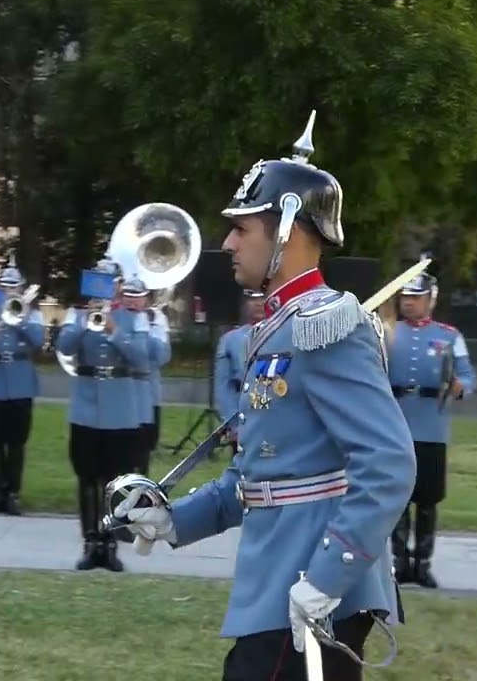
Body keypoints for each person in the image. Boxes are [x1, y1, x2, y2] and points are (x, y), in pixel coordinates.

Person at [119, 112, 415, 681]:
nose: (228, 242)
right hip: (280, 583)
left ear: (286, 232)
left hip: (308, 588)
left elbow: (389, 464)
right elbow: (258, 475)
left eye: (242, 228)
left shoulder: (328, 326)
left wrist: (327, 577)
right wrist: (174, 522)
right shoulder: (276, 330)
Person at [58, 256, 153, 572]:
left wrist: (114, 330)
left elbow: (142, 359)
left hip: (120, 408)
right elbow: (64, 346)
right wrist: (84, 318)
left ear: (118, 286)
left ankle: (110, 544)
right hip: (85, 407)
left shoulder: (134, 318)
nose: (104, 288)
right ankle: (90, 543)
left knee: (116, 481)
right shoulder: (77, 314)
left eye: (110, 283)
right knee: (87, 478)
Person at [386, 271, 477, 588]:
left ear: (430, 300)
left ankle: (423, 563)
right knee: (397, 498)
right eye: (405, 297)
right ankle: (399, 562)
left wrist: (460, 387)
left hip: (431, 424)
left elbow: (468, 377)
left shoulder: (449, 336)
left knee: (427, 500)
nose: (409, 303)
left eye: (416, 297)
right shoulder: (387, 332)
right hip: (395, 423)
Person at [0, 253, 44, 516]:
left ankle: (13, 493)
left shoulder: (32, 314)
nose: (8, 291)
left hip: (20, 382)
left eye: (13, 287)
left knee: (16, 442)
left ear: (21, 289)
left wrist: (18, 316)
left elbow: (38, 341)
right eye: (5, 287)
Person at [120, 277, 172, 476]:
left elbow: (161, 356)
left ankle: (140, 486)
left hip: (147, 390)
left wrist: (142, 332)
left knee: (144, 445)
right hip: (120, 390)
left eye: (137, 297)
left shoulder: (155, 318)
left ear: (145, 298)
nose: (132, 301)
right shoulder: (114, 318)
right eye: (127, 296)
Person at [213, 290, 265, 421]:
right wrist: (231, 420)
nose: (258, 304)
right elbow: (223, 385)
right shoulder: (229, 340)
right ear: (245, 305)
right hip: (242, 409)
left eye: (263, 298)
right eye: (253, 300)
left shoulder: (284, 334)